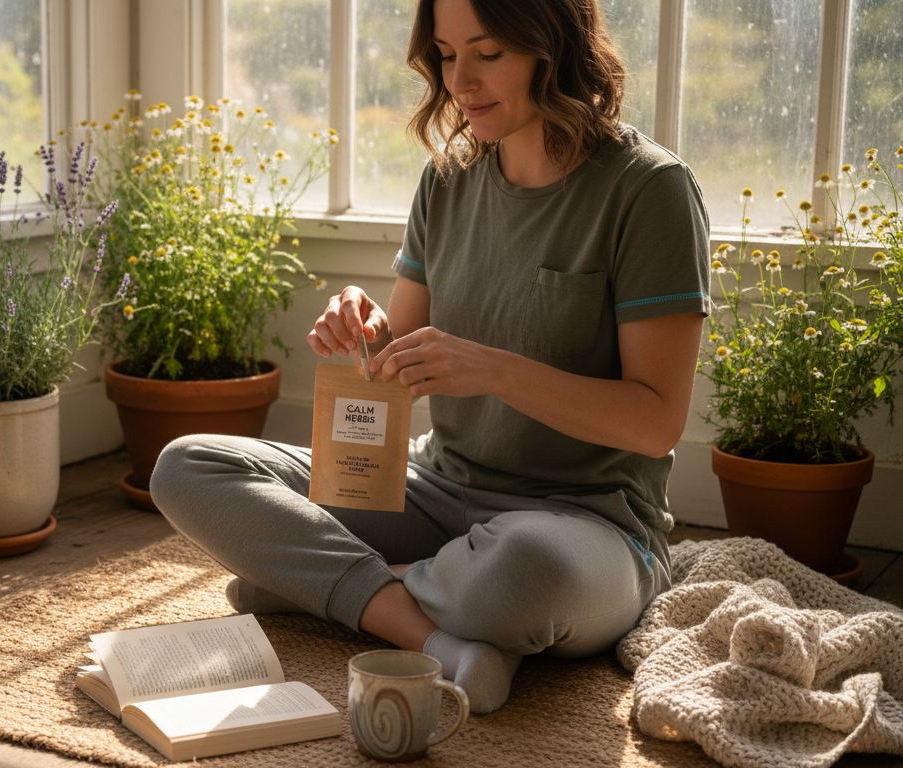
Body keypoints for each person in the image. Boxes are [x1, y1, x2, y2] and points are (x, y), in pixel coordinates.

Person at [149, 0, 709, 714]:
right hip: (438, 490)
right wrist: (362, 326)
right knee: (190, 465)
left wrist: (496, 370)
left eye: (488, 52)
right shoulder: (447, 180)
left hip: (586, 523)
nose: (460, 82)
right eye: (447, 55)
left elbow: (656, 422)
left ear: (553, 46)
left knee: (521, 572)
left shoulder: (649, 189)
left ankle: (326, 584)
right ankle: (429, 635)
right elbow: (396, 368)